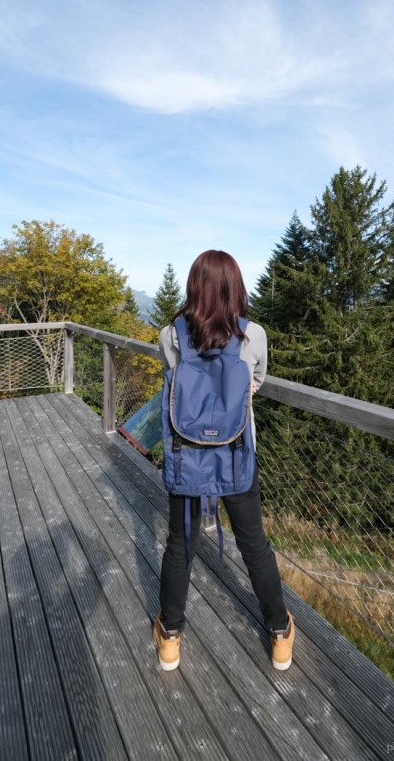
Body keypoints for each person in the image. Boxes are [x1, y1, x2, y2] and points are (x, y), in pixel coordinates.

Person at [152, 249, 295, 672]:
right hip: (235, 457)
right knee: (254, 544)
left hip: (186, 457)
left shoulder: (170, 335)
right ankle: (280, 633)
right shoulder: (255, 336)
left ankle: (171, 638)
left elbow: (173, 378)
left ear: (194, 286)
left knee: (180, 545)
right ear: (236, 289)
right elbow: (258, 381)